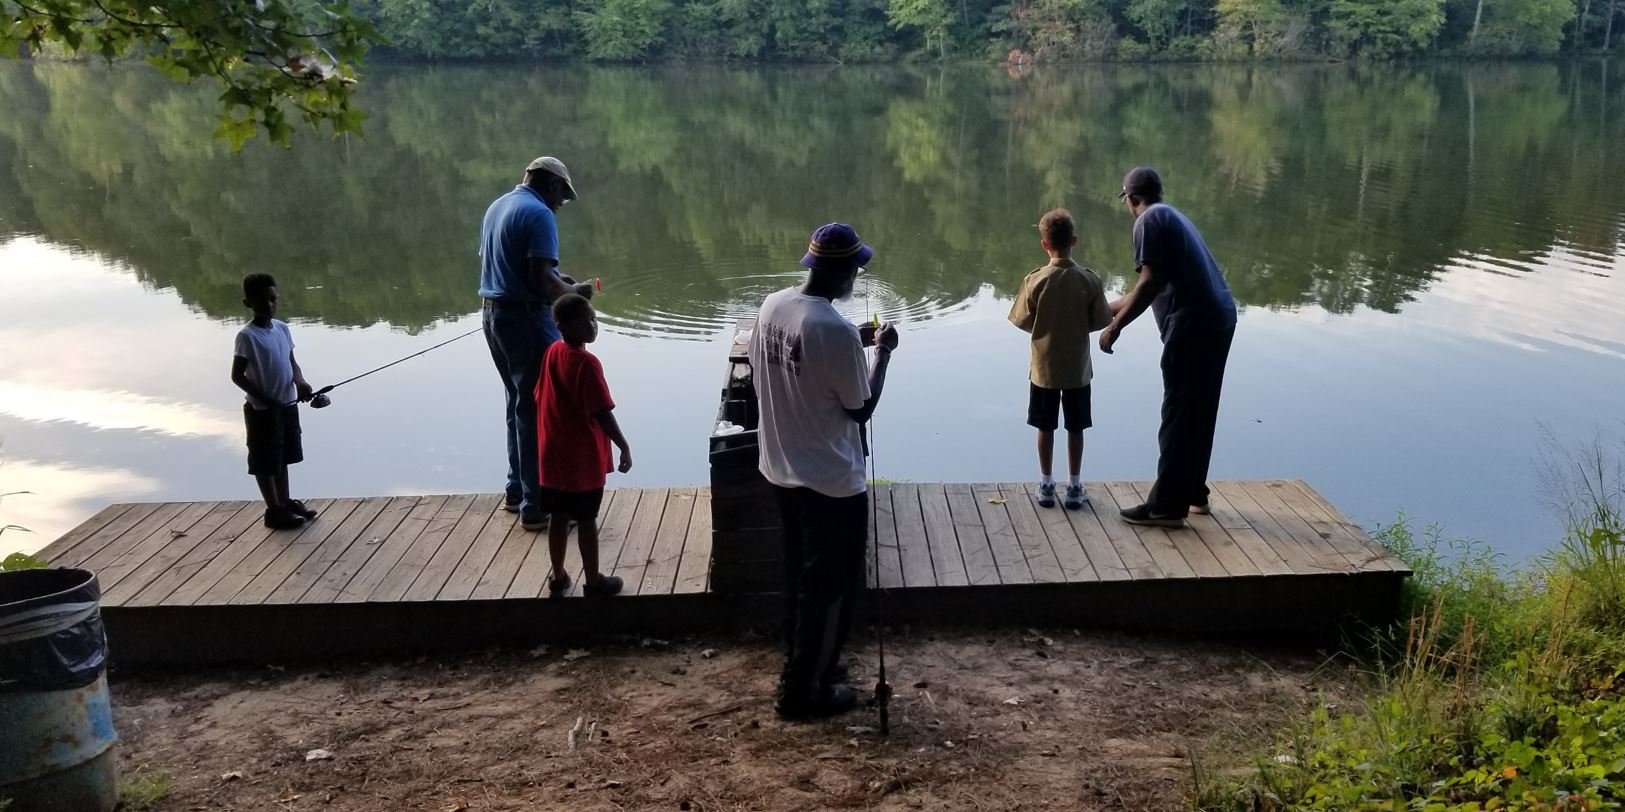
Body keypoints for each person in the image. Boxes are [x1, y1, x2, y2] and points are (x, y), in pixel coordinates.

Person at [748, 223, 900, 720]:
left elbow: (800, 352)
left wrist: (856, 342)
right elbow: (861, 409)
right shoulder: (833, 331)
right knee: (830, 586)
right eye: (856, 268)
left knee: (799, 572)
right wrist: (882, 356)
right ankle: (802, 690)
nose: (858, 276)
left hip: (780, 469)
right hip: (830, 484)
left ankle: (805, 659)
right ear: (840, 271)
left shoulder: (774, 306)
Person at [1099, 167, 1238, 527]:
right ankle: (1193, 492)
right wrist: (1100, 312)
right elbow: (1146, 288)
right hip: (1218, 318)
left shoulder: (1146, 222)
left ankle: (1165, 506)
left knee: (1177, 412)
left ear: (1131, 198)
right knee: (1200, 407)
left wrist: (1115, 328)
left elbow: (1149, 284)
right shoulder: (1171, 215)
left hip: (1193, 324)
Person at [480, 156, 595, 532]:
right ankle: (537, 504)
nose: (562, 203)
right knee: (537, 409)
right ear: (550, 184)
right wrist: (574, 294)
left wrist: (558, 278)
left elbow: (516, 267)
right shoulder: (540, 214)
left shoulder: (499, 206)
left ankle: (516, 491)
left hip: (493, 316)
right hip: (526, 320)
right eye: (563, 193)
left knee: (517, 404)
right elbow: (544, 284)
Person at [1008, 208, 1112, 511]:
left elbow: (1021, 320)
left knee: (1045, 426)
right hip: (1078, 370)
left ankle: (1045, 483)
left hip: (1044, 370)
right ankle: (1075, 485)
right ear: (1075, 241)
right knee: (1075, 427)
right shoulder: (1089, 281)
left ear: (1044, 244)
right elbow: (1101, 319)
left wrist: (1044, 329)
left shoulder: (1035, 281)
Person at [535, 294, 631, 598]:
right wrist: (623, 445)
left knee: (558, 516)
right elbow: (601, 411)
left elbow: (538, 395)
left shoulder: (552, 352)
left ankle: (558, 576)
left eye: (593, 318)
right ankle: (593, 582)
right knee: (587, 519)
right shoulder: (587, 363)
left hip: (552, 454)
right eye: (585, 320)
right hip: (580, 460)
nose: (593, 325)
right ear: (564, 326)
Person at [230, 273, 317, 530]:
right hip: (262, 411)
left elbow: (292, 363)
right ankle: (273, 510)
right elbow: (237, 376)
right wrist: (268, 399)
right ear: (248, 304)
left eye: (272, 299)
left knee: (283, 457)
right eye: (262, 301)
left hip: (287, 406)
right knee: (265, 461)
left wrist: (300, 383)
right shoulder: (247, 336)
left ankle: (284, 502)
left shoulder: (282, 328)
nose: (269, 305)